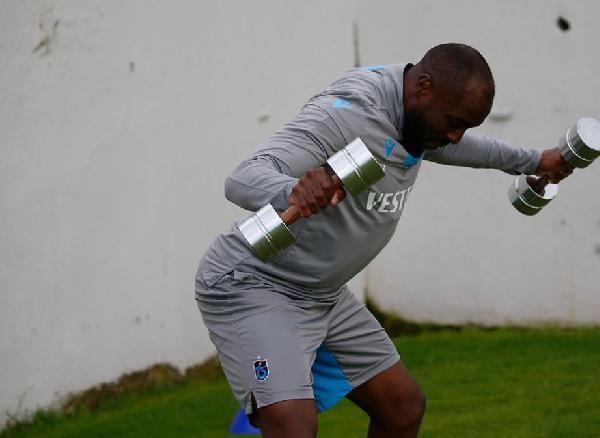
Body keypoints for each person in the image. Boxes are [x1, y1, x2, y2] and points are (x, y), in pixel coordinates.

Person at [195, 43, 573, 437]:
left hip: (321, 292)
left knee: (402, 407)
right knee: (293, 425)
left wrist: (534, 161)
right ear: (423, 87)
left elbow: (454, 145)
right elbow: (242, 178)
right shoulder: (348, 116)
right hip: (256, 283)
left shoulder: (415, 112)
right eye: (453, 123)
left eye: (464, 127)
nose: (455, 136)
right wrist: (292, 191)